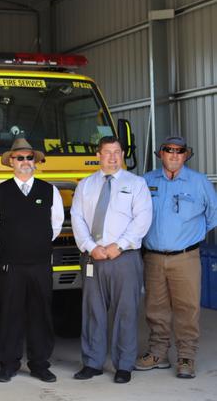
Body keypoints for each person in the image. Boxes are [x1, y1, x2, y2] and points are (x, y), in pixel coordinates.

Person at [71, 136, 152, 384]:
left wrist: (120, 245)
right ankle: (93, 362)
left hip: (124, 258)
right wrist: (90, 247)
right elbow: (77, 219)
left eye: (117, 152)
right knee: (93, 312)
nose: (113, 157)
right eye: (108, 152)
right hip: (93, 258)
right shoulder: (85, 185)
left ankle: (124, 365)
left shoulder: (136, 184)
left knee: (125, 312)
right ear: (98, 155)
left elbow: (142, 219)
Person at [135, 136, 217, 379]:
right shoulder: (146, 181)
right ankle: (158, 353)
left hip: (185, 258)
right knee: (155, 308)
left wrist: (193, 235)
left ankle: (186, 356)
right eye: (168, 150)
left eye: (179, 151)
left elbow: (213, 215)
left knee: (187, 308)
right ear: (161, 153)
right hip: (153, 258)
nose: (173, 155)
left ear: (185, 155)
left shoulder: (199, 182)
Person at [0, 137, 64, 383]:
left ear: (35, 161)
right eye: (19, 158)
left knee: (41, 314)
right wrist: (14, 246)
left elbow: (56, 225)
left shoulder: (49, 190)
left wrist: (35, 243)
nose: (25, 162)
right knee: (11, 315)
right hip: (12, 264)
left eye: (29, 157)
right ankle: (8, 364)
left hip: (41, 263)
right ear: (11, 162)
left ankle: (40, 364)